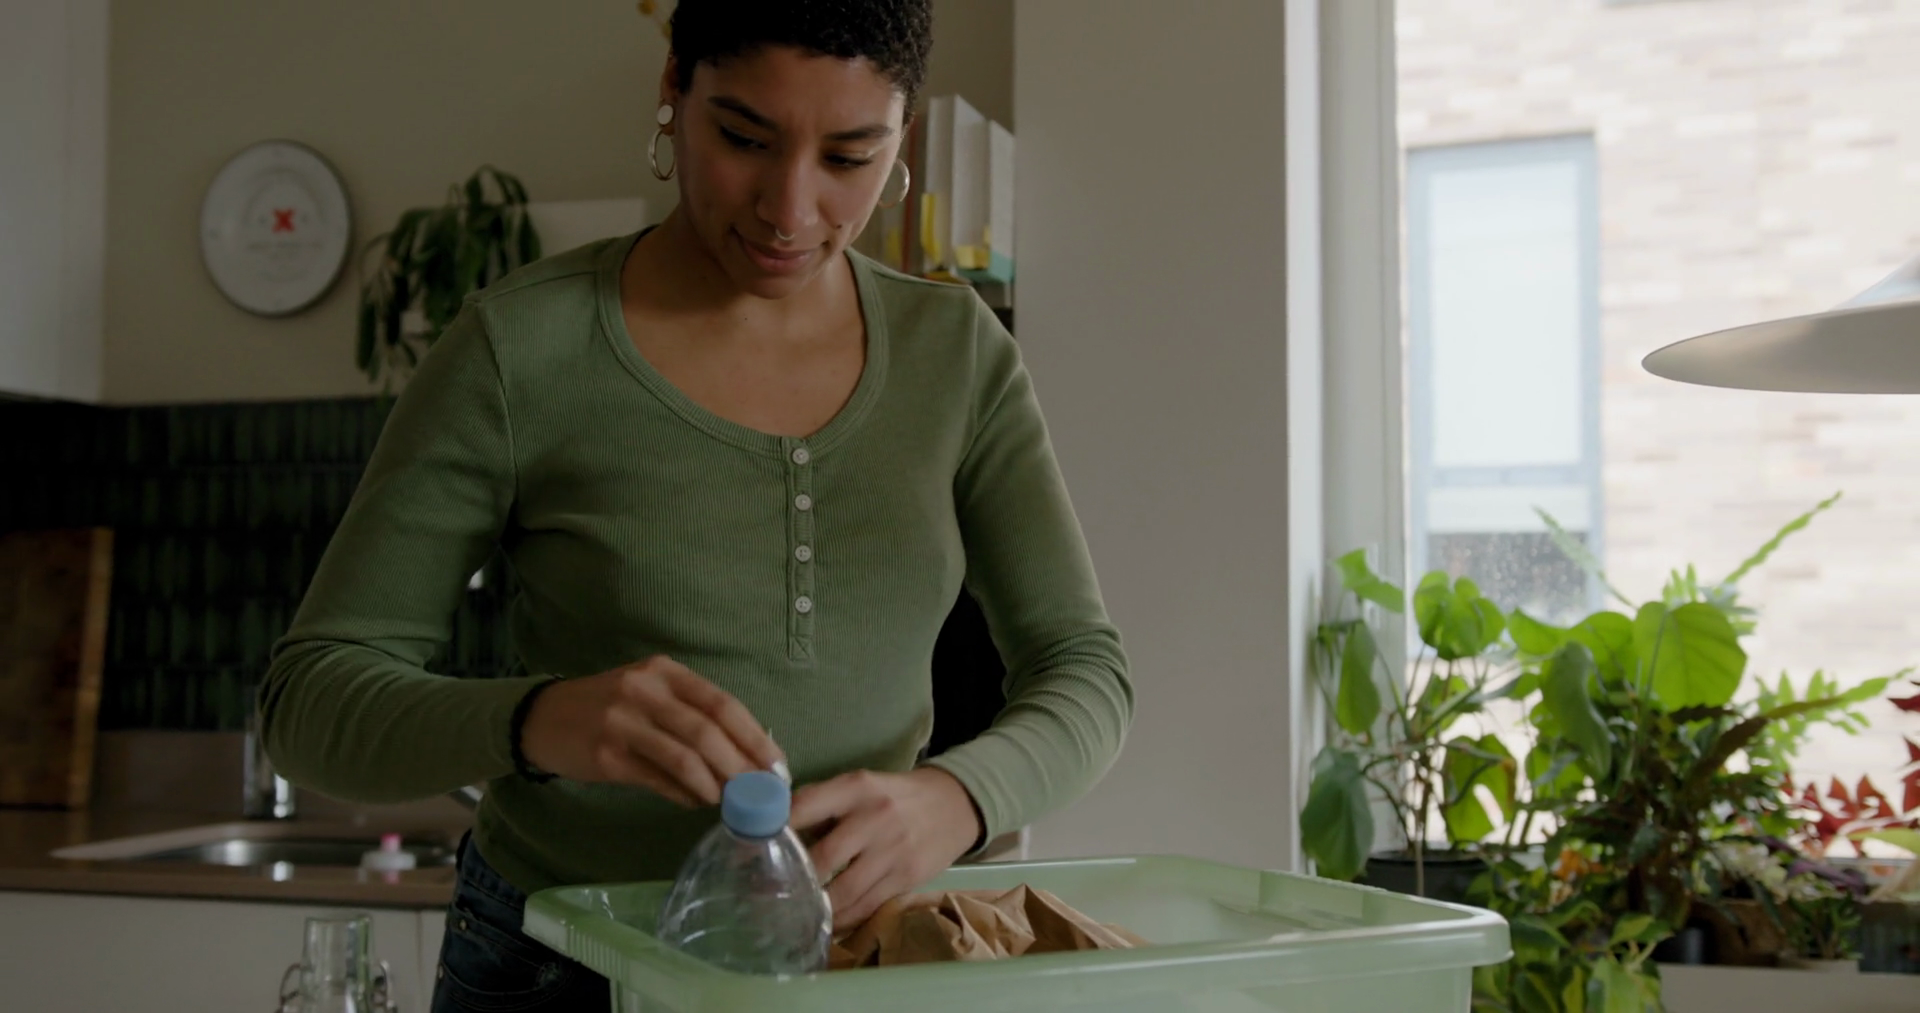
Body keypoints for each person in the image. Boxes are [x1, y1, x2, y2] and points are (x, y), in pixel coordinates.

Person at [256, 1, 1132, 1009]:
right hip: (556, 965)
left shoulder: (958, 354)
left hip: (849, 966)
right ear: (673, 87)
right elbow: (309, 703)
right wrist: (539, 719)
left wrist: (958, 798)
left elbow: (1086, 673)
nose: (789, 210)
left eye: (848, 157)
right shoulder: (519, 348)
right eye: (745, 138)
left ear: (904, 136)